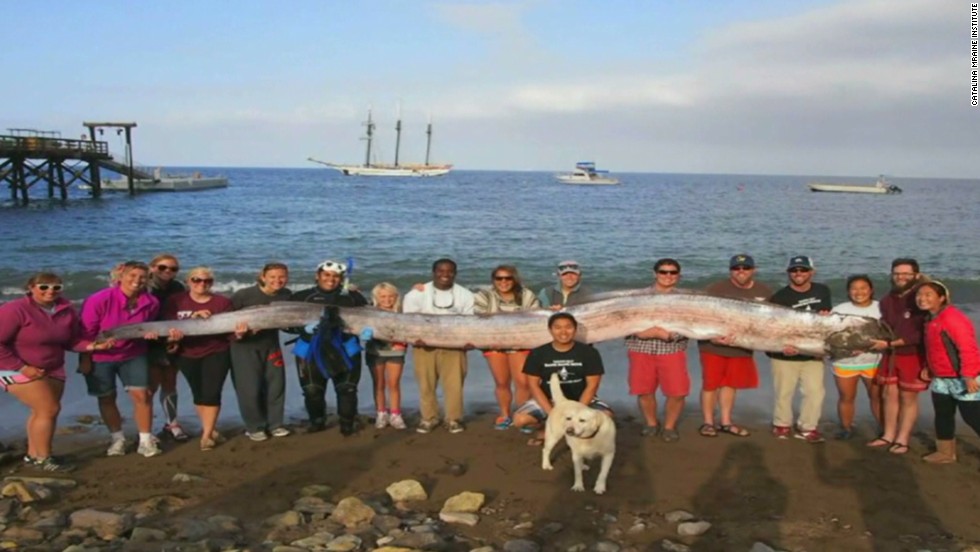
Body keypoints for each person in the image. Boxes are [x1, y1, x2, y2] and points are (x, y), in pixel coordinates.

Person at [0, 272, 113, 472]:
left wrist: (94, 346)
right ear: (31, 288)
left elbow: (71, 341)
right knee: (49, 409)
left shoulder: (66, 310)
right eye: (43, 287)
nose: (50, 291)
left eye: (56, 287)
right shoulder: (15, 309)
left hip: (53, 367)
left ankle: (34, 456)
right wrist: (23, 368)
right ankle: (44, 459)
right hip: (14, 367)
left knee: (42, 412)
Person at [79, 261, 167, 458]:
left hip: (133, 353)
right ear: (121, 276)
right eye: (132, 276)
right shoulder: (99, 299)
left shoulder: (151, 302)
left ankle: (145, 440)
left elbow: (147, 327)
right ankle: (117, 439)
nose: (137, 281)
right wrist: (85, 358)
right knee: (107, 397)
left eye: (142, 277)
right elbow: (85, 333)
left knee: (142, 396)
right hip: (100, 356)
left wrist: (150, 334)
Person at [163, 267, 242, 451]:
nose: (201, 284)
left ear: (212, 283)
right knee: (198, 393)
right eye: (197, 280)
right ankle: (211, 429)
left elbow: (229, 333)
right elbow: (166, 325)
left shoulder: (221, 302)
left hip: (216, 351)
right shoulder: (176, 301)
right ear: (188, 281)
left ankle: (206, 436)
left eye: (207, 281)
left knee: (212, 393)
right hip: (186, 353)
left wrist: (239, 334)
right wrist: (185, 324)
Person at [697, 254, 773, 438]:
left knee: (731, 384)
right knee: (710, 385)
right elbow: (700, 314)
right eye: (736, 268)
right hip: (712, 346)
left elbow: (771, 322)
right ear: (731, 270)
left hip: (742, 347)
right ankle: (708, 423)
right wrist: (712, 337)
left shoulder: (764, 291)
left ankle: (725, 422)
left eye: (745, 268)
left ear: (753, 270)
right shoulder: (715, 288)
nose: (741, 271)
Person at [289, 260, 368, 436]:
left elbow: (369, 319)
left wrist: (367, 332)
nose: (331, 279)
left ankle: (347, 424)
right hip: (309, 349)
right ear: (317, 276)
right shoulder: (302, 297)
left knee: (346, 388)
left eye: (335, 276)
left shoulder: (353, 297)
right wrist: (301, 329)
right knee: (312, 390)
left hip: (346, 348)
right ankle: (317, 422)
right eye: (326, 275)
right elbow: (283, 324)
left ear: (341, 278)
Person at [513, 312, 613, 445]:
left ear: (575, 329)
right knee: (520, 420)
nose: (563, 332)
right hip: (550, 399)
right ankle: (545, 429)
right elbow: (534, 386)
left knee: (606, 416)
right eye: (558, 327)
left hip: (581, 399)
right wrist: (552, 413)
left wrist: (578, 413)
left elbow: (592, 385)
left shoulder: (589, 353)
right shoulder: (538, 353)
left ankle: (579, 432)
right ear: (550, 330)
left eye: (568, 327)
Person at [402, 258, 475, 434]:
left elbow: (470, 322)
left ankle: (454, 418)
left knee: (454, 384)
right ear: (433, 272)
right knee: (426, 384)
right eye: (441, 271)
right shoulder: (416, 293)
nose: (445, 275)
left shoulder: (466, 294)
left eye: (450, 271)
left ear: (455, 274)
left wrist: (468, 341)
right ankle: (429, 418)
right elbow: (409, 321)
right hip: (424, 346)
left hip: (455, 346)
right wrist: (414, 338)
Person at [766, 256, 832, 443]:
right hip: (785, 353)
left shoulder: (822, 290)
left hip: (812, 353)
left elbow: (824, 321)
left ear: (811, 272)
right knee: (784, 392)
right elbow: (773, 327)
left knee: (815, 392)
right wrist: (782, 347)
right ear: (788, 273)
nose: (798, 274)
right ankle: (782, 424)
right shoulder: (779, 297)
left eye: (803, 270)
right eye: (794, 270)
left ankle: (808, 427)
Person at [866, 258, 927, 455]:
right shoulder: (887, 299)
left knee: (907, 397)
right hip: (891, 353)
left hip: (913, 354)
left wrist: (891, 343)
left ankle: (903, 439)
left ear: (916, 275)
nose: (901, 277)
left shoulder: (922, 297)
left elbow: (920, 334)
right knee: (887, 394)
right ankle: (888, 434)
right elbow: (885, 327)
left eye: (906, 273)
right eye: (897, 273)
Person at [624, 258, 689, 443]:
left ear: (679, 275)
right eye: (663, 272)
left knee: (677, 392)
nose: (668, 276)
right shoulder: (637, 296)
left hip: (672, 349)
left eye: (672, 272)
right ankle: (651, 423)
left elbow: (691, 323)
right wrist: (640, 333)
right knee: (644, 390)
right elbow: (623, 319)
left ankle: (669, 426)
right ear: (655, 274)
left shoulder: (686, 298)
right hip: (640, 348)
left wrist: (670, 336)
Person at [916, 281, 980, 464]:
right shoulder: (931, 319)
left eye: (928, 295)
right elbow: (935, 349)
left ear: (942, 298)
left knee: (973, 417)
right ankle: (945, 453)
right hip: (941, 378)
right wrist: (929, 367)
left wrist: (969, 375)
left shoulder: (952, 318)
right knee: (943, 414)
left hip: (964, 377)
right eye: (919, 294)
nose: (922, 298)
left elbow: (968, 349)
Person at [473, 265, 541, 430]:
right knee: (502, 382)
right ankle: (504, 414)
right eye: (499, 278)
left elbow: (535, 319)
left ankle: (522, 414)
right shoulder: (484, 296)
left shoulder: (526, 295)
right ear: (494, 280)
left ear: (514, 279)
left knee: (523, 383)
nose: (503, 282)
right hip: (494, 343)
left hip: (520, 343)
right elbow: (478, 319)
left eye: (508, 278)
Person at [230, 262, 292, 441]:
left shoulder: (286, 295)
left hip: (271, 344)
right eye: (272, 277)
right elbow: (224, 321)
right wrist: (239, 333)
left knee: (276, 385)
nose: (277, 280)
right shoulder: (244, 296)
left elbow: (289, 322)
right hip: (244, 347)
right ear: (263, 277)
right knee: (250, 389)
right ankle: (254, 426)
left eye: (282, 277)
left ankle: (275, 424)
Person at [831, 275, 883, 439]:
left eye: (863, 288)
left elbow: (889, 334)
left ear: (871, 290)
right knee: (846, 397)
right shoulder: (839, 309)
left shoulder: (881, 308)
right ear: (848, 291)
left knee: (877, 397)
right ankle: (846, 428)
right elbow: (831, 336)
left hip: (874, 362)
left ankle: (884, 429)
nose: (858, 292)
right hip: (845, 362)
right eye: (854, 288)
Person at [146, 253, 189, 442]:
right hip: (147, 339)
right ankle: (145, 429)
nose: (168, 271)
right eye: (163, 267)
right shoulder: (144, 286)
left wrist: (175, 340)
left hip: (171, 336)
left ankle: (171, 423)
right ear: (153, 267)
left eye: (173, 269)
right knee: (151, 385)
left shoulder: (177, 287)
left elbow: (180, 313)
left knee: (170, 381)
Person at [364, 283, 408, 430]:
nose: (387, 299)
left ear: (396, 297)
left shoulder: (402, 312)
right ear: (376, 298)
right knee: (379, 384)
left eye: (390, 296)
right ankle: (381, 413)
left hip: (396, 351)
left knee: (394, 384)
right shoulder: (369, 311)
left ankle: (396, 414)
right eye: (383, 296)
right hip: (375, 352)